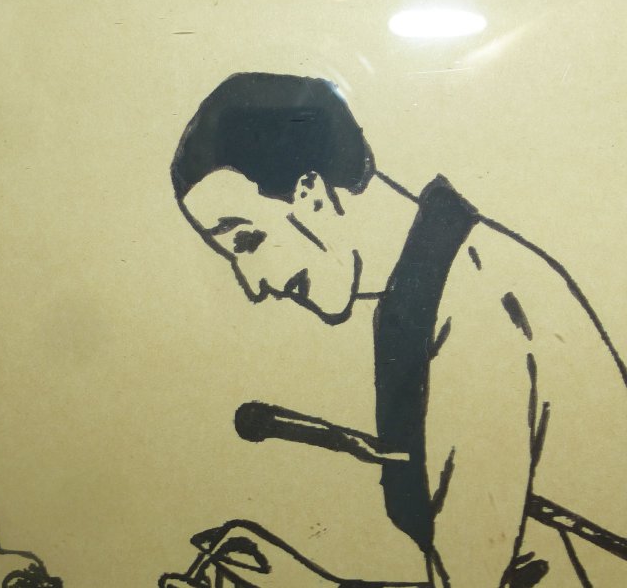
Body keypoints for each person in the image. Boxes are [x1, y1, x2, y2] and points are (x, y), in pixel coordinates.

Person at [160, 72, 627, 587]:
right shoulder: (422, 292)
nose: (253, 285)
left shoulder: (476, 295)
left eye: (247, 241)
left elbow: (472, 573)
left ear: (311, 193)